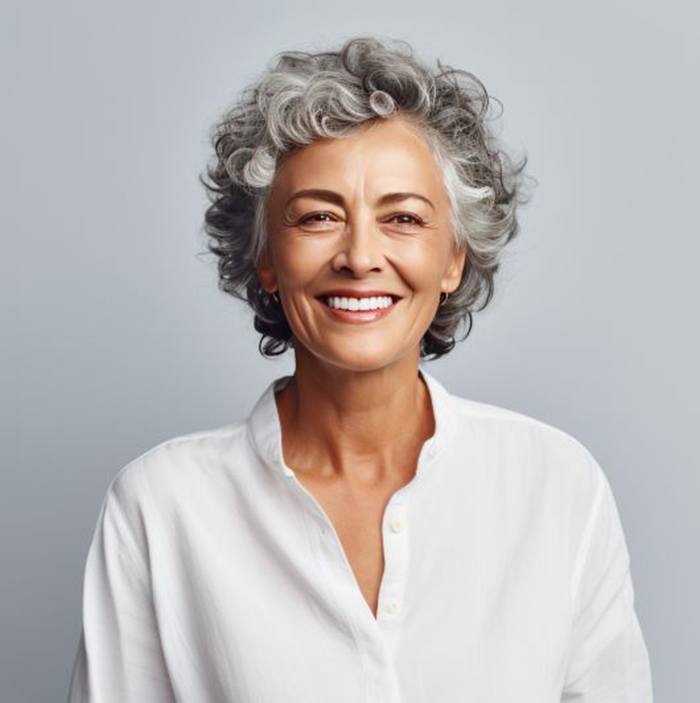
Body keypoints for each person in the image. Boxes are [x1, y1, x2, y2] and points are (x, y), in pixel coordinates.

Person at [68, 36, 653, 702]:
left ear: (453, 258)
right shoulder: (161, 507)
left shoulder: (558, 487)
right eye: (319, 215)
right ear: (265, 256)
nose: (359, 255)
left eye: (403, 217)